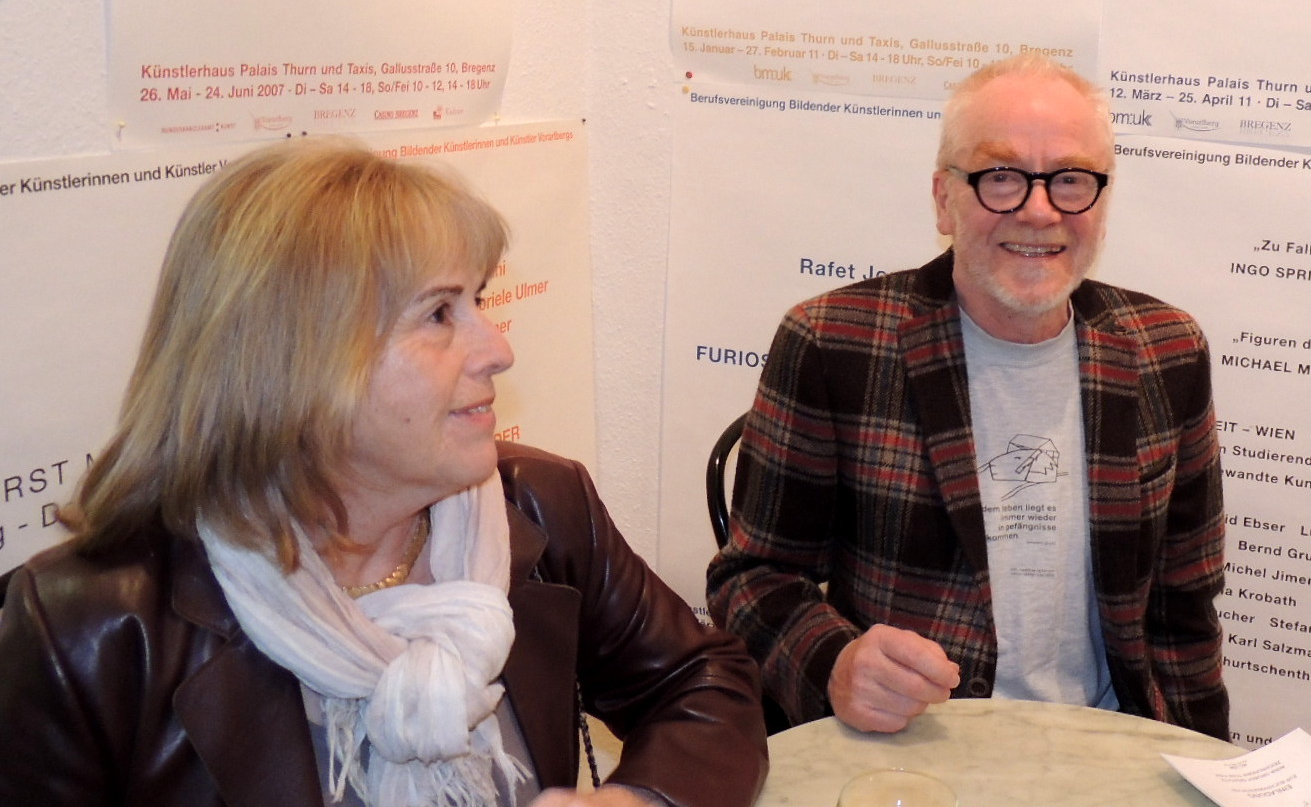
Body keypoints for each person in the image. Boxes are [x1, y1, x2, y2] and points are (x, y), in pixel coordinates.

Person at [0, 138, 767, 807]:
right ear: (295, 362)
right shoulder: (90, 631)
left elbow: (703, 682)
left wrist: (639, 799)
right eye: (439, 314)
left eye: (478, 301)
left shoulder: (538, 504)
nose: (498, 349)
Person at [707, 53, 1227, 740]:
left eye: (1071, 180)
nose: (1039, 210)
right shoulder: (833, 343)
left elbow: (1184, 607)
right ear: (943, 199)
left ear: (1102, 204)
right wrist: (835, 663)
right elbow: (752, 579)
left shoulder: (1167, 349)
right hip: (915, 747)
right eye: (1000, 176)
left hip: (1108, 746)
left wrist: (1208, 761)